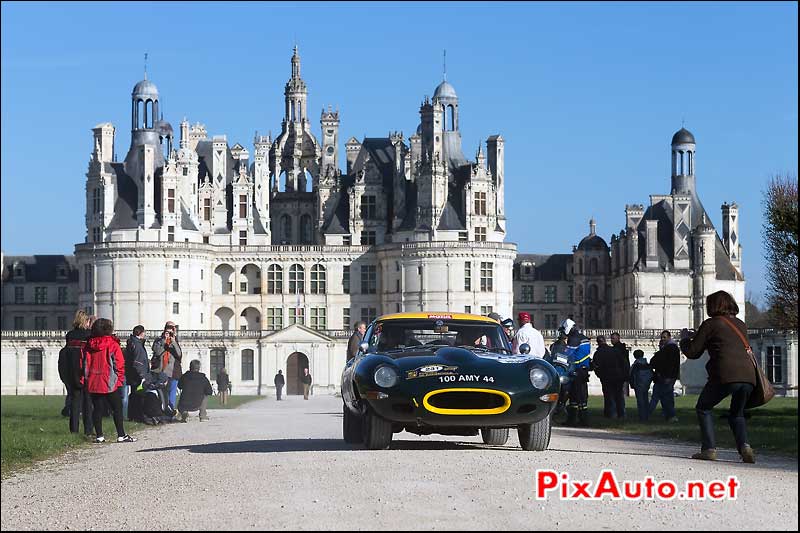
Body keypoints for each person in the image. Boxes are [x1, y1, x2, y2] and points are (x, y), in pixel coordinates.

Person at [679, 290, 757, 464]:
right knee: (737, 414)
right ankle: (745, 447)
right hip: (749, 376)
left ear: (712, 306)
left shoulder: (711, 324)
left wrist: (684, 339)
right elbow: (726, 342)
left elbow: (692, 352)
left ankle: (709, 449)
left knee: (704, 407)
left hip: (726, 374)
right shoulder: (740, 324)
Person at [82, 318, 136, 443]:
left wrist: (86, 379)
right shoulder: (112, 344)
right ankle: (121, 435)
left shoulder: (89, 345)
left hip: (94, 379)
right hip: (109, 380)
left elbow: (86, 364)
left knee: (97, 409)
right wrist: (120, 378)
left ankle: (99, 436)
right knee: (117, 408)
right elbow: (119, 363)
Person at [58, 310, 94, 436]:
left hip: (72, 372)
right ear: (86, 321)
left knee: (74, 401)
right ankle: (88, 430)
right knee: (87, 403)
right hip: (85, 371)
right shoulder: (89, 335)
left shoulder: (70, 335)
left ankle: (74, 429)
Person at [560, 318, 592, 426]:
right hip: (582, 370)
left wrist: (557, 358)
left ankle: (581, 420)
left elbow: (567, 354)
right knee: (576, 396)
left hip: (577, 370)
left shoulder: (574, 339)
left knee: (577, 396)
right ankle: (575, 419)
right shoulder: (583, 338)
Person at [649, 330, 680, 422]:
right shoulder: (670, 348)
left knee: (666, 397)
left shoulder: (670, 348)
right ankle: (668, 415)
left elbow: (670, 364)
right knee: (666, 396)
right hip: (666, 376)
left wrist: (669, 376)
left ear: (669, 337)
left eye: (664, 337)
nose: (662, 339)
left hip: (666, 377)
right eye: (662, 337)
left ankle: (671, 415)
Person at [592, 335, 627, 419]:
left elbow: (596, 366)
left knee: (609, 396)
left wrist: (600, 375)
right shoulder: (614, 350)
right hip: (617, 376)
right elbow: (623, 362)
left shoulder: (598, 353)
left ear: (598, 342)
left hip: (606, 377)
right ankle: (621, 414)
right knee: (619, 396)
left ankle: (612, 414)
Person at [152, 321, 183, 413]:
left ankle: (171, 411)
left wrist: (173, 342)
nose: (170, 331)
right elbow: (157, 352)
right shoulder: (158, 340)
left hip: (173, 371)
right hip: (161, 370)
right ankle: (162, 410)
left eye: (172, 328)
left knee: (172, 393)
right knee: (161, 393)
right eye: (168, 328)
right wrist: (163, 341)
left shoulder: (175, 340)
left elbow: (179, 354)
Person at [629, 349, 654, 422]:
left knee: (640, 401)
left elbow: (631, 375)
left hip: (638, 384)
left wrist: (632, 385)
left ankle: (642, 417)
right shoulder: (647, 364)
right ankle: (647, 415)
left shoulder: (635, 365)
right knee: (645, 400)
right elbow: (652, 374)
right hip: (646, 384)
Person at [610, 332, 631, 404]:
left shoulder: (617, 349)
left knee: (617, 395)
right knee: (619, 395)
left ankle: (619, 412)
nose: (611, 340)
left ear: (618, 339)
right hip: (620, 374)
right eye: (611, 338)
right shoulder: (621, 349)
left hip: (618, 375)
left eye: (613, 338)